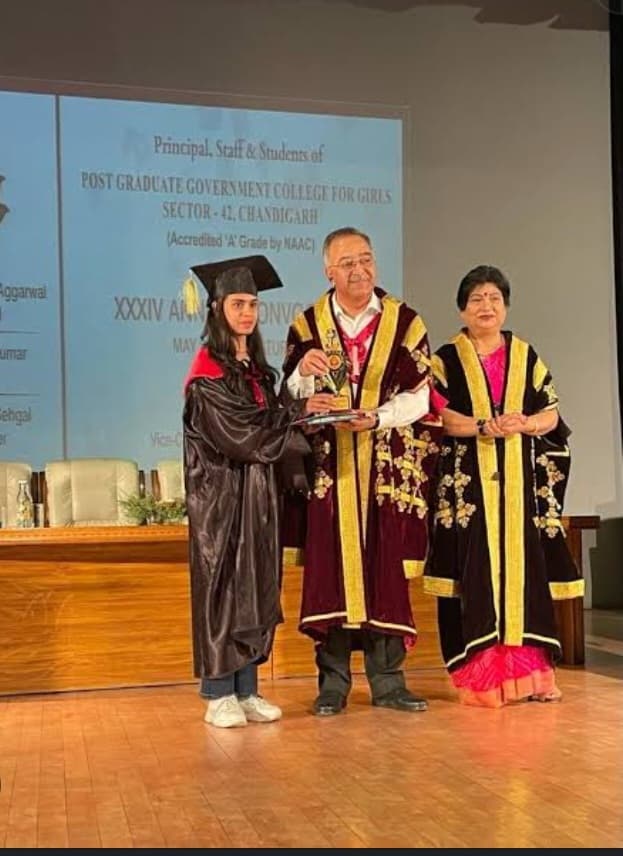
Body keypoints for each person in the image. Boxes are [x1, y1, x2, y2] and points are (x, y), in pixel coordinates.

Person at [281, 227, 441, 716]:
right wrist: (303, 375)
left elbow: (421, 397)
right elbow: (289, 392)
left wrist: (378, 417)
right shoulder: (307, 324)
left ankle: (389, 682)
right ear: (328, 271)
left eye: (366, 259)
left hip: (384, 466)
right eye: (347, 263)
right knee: (331, 571)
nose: (359, 270)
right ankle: (332, 685)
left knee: (384, 571)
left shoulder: (405, 322)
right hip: (329, 470)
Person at [183, 254, 335, 728]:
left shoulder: (255, 369)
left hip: (258, 498)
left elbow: (270, 419)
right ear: (217, 309)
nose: (247, 312)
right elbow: (242, 435)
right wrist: (297, 413)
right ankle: (218, 694)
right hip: (222, 502)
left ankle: (247, 689)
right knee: (226, 591)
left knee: (256, 588)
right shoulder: (207, 373)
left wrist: (307, 404)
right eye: (238, 304)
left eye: (252, 304)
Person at [423, 264, 584, 708]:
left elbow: (552, 413)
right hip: (469, 491)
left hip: (519, 491)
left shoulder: (527, 356)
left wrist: (526, 423)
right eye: (476, 299)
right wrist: (483, 426)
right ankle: (483, 678)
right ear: (462, 309)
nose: (486, 306)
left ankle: (533, 676)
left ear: (506, 307)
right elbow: (437, 416)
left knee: (525, 575)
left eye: (494, 298)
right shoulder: (445, 360)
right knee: (474, 575)